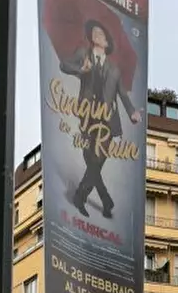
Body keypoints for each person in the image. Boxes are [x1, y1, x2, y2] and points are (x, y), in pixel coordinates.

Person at [60, 20, 141, 219]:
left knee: (97, 159)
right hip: (88, 114)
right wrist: (81, 70)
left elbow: (122, 93)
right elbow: (64, 64)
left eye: (101, 33)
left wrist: (132, 112)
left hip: (107, 118)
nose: (97, 34)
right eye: (94, 32)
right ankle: (104, 199)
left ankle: (84, 196)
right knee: (90, 157)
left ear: (107, 43)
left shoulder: (115, 70)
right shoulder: (83, 54)